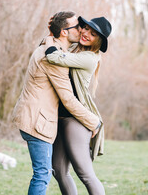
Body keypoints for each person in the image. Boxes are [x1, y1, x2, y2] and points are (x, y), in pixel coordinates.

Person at [12, 11, 101, 195]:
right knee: (50, 172)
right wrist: (53, 33)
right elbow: (67, 96)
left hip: (69, 119)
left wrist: (94, 122)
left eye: (91, 33)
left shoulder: (78, 56)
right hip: (43, 121)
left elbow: (68, 97)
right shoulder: (57, 53)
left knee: (80, 173)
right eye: (79, 27)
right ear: (65, 32)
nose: (82, 31)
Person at [44, 16, 112, 195]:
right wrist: (54, 32)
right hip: (61, 116)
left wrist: (50, 38)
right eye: (86, 29)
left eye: (93, 34)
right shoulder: (74, 49)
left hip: (76, 119)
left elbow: (53, 56)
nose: (86, 34)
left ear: (99, 41)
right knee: (58, 170)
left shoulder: (89, 58)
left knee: (85, 174)